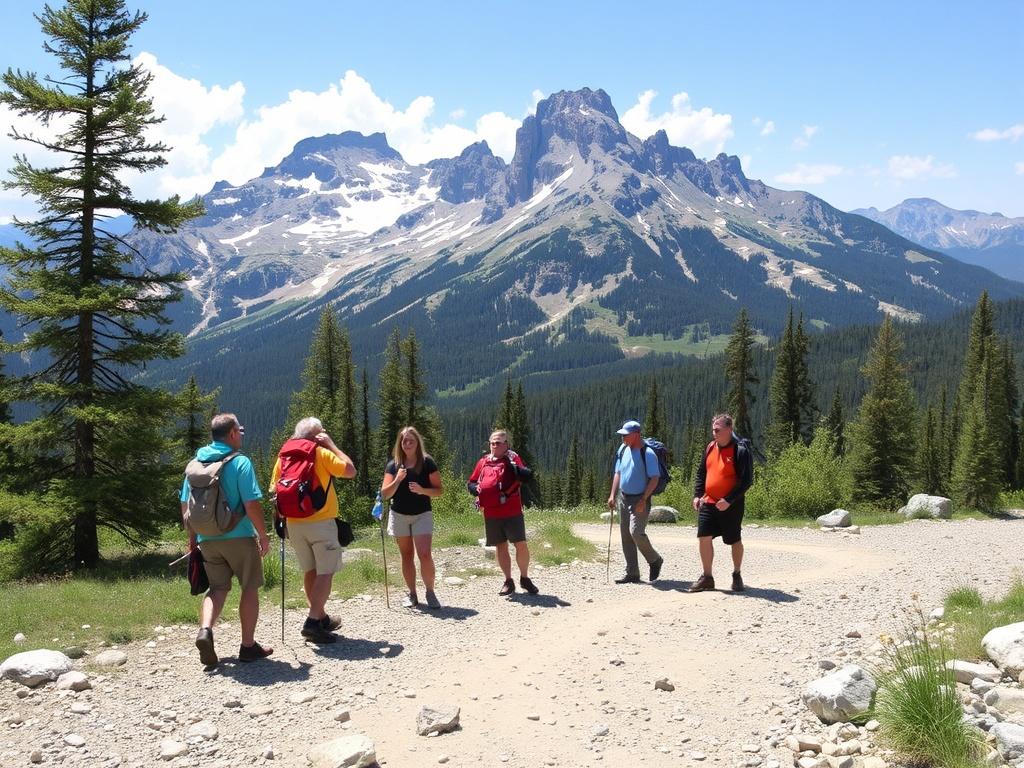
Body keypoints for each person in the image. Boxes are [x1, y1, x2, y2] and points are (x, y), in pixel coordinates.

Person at [182, 413, 272, 669]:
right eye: (240, 431)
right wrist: (263, 535)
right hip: (239, 536)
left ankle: (205, 630)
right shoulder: (240, 462)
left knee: (218, 589)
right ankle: (248, 646)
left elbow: (185, 504)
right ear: (232, 434)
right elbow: (251, 503)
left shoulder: (195, 463)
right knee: (249, 587)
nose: (242, 434)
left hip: (207, 538)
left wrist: (194, 538)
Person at [271, 417, 357, 643]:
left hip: (294, 523)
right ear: (316, 436)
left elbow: (275, 490)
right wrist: (331, 445)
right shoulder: (321, 453)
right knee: (325, 572)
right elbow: (350, 470)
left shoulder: (284, 457)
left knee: (310, 571)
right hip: (321, 522)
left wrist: (279, 522)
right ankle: (312, 622)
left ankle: (320, 617)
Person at [467, 430, 538, 596]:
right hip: (491, 512)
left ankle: (524, 578)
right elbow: (471, 482)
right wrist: (475, 490)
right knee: (500, 546)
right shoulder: (483, 462)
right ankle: (508, 580)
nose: (494, 445)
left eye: (498, 442)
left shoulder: (512, 458)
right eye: (492, 442)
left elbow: (526, 476)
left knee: (520, 544)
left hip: (512, 509)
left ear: (506, 445)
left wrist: (513, 463)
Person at [689, 413, 754, 593]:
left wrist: (729, 500)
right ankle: (707, 577)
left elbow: (746, 481)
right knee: (703, 536)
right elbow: (702, 473)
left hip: (731, 505)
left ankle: (737, 573)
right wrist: (697, 495)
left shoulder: (739, 450)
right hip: (709, 502)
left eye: (717, 430)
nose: (714, 433)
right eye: (713, 429)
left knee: (734, 540)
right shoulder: (710, 447)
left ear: (729, 430)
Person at [381, 426, 444, 609]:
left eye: (411, 441)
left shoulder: (427, 463)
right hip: (399, 515)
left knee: (424, 554)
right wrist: (398, 479)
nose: (407, 444)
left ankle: (430, 591)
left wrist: (423, 490)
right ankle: (412, 593)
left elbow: (439, 490)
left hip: (422, 514)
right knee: (406, 556)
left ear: (417, 443)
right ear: (400, 444)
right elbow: (385, 494)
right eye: (404, 441)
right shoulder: (393, 465)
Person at [607, 420, 664, 584]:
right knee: (626, 535)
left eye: (626, 435)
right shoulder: (623, 449)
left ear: (636, 434)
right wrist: (612, 494)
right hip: (623, 497)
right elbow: (618, 472)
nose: (623, 437)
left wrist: (644, 499)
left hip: (640, 499)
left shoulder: (648, 453)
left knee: (636, 532)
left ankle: (655, 560)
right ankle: (632, 572)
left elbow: (654, 478)